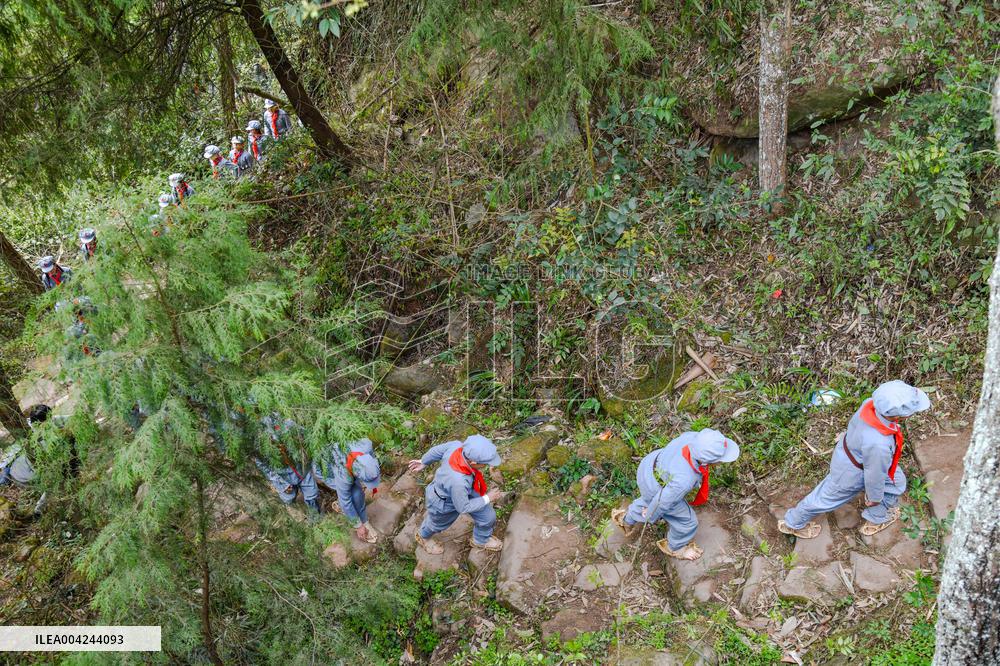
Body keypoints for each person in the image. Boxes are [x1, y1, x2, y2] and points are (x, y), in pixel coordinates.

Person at [779, 381, 930, 539]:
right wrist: (874, 498)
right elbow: (875, 475)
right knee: (825, 498)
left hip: (851, 453)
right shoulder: (879, 444)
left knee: (896, 483)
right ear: (899, 415)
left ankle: (877, 516)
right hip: (853, 471)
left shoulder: (871, 405)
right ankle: (793, 523)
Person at [611, 429, 741, 561]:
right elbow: (663, 501)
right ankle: (675, 547)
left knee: (649, 499)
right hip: (659, 488)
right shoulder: (684, 480)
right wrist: (651, 514)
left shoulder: (694, 438)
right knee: (688, 522)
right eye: (721, 459)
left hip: (649, 467)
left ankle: (626, 520)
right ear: (707, 460)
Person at [407, 434, 505, 554]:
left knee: (487, 516)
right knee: (436, 524)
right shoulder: (458, 481)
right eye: (486, 463)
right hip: (443, 502)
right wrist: (487, 498)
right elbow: (463, 507)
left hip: (466, 490)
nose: (488, 465)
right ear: (473, 462)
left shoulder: (457, 446)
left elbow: (436, 451)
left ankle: (480, 540)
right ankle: (423, 536)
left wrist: (424, 461)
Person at [313, 438, 382, 542]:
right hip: (327, 469)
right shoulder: (343, 476)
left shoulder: (366, 445)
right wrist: (358, 526)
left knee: (357, 493)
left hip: (342, 456)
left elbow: (371, 458)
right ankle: (351, 514)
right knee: (352, 494)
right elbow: (346, 501)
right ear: (355, 473)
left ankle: (364, 520)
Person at [254, 413, 320, 512]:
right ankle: (295, 514)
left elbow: (305, 435)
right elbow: (262, 464)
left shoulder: (286, 424)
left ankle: (316, 518)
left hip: (301, 468)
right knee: (289, 498)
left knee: (311, 495)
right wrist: (281, 483)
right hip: (282, 475)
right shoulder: (258, 440)